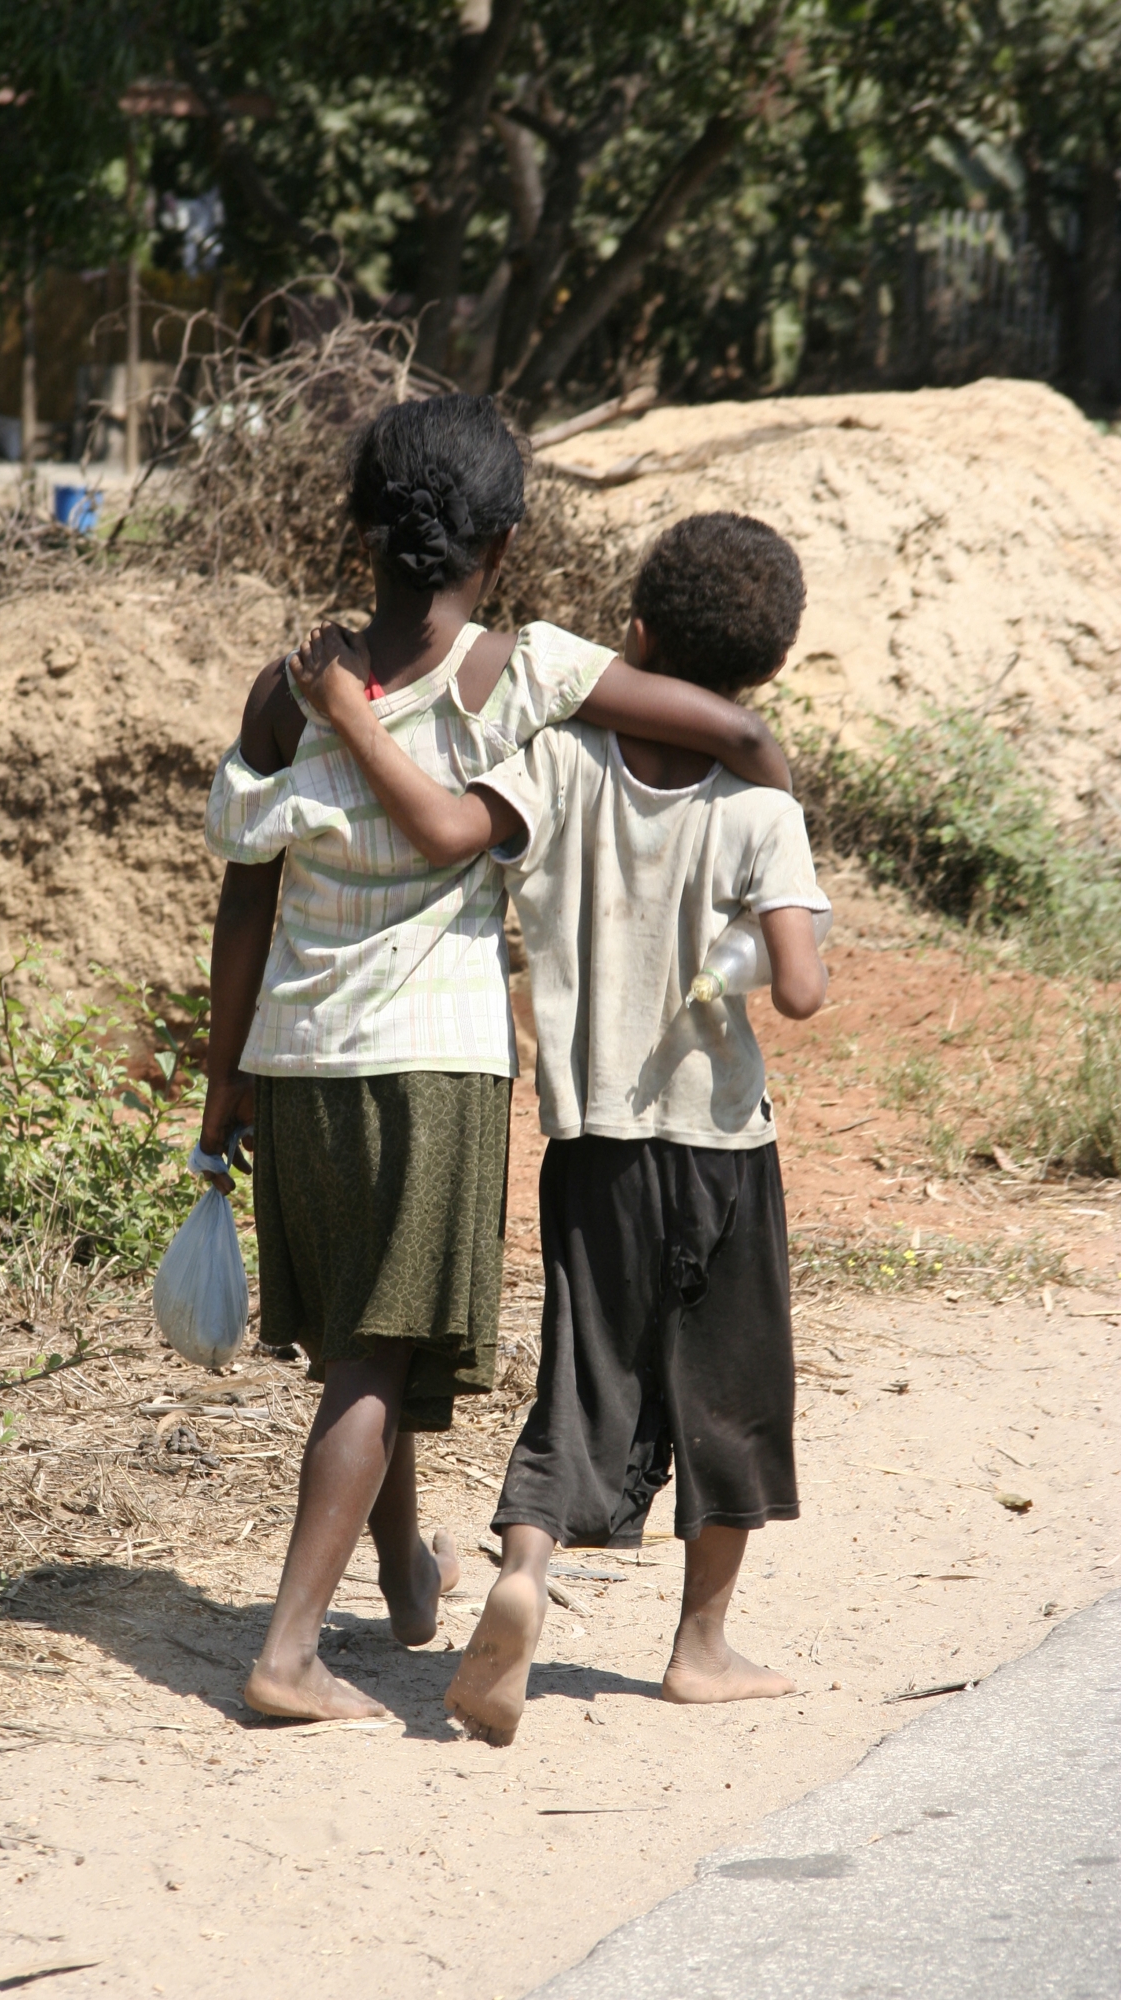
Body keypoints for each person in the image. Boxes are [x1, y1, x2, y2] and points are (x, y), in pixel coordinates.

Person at [199, 395, 795, 1726]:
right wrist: (774, 852)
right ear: (505, 542)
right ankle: (288, 1653)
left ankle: (408, 1585)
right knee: (375, 1348)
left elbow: (242, 892)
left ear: (363, 524)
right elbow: (738, 736)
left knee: (372, 1331)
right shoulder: (519, 669)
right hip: (426, 1064)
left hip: (293, 1052)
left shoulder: (284, 681)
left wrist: (223, 1073)